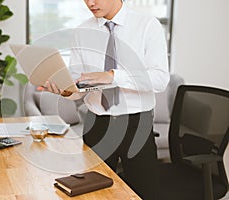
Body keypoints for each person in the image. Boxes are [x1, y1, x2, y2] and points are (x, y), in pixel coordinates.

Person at [41, 0, 169, 199]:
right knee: (94, 194)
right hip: (97, 125)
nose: (90, 3)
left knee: (144, 194)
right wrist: (65, 91)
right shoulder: (82, 31)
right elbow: (79, 87)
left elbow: (160, 79)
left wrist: (113, 76)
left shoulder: (147, 25)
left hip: (137, 126)